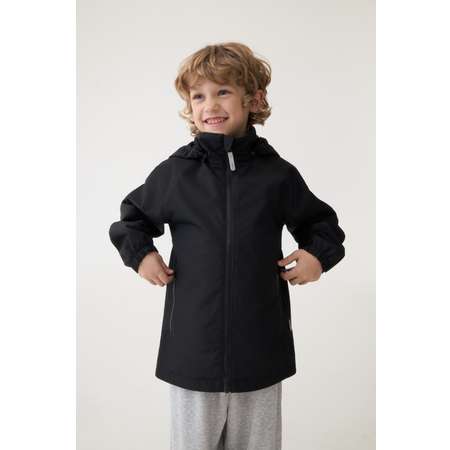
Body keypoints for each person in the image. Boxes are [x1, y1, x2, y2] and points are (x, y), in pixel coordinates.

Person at [109, 42, 345, 450]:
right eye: (198, 96)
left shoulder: (277, 175)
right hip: (192, 349)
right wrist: (142, 254)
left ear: (253, 99)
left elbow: (322, 225)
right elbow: (131, 219)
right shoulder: (177, 173)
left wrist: (315, 257)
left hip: (261, 347)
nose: (210, 105)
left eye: (223, 91)